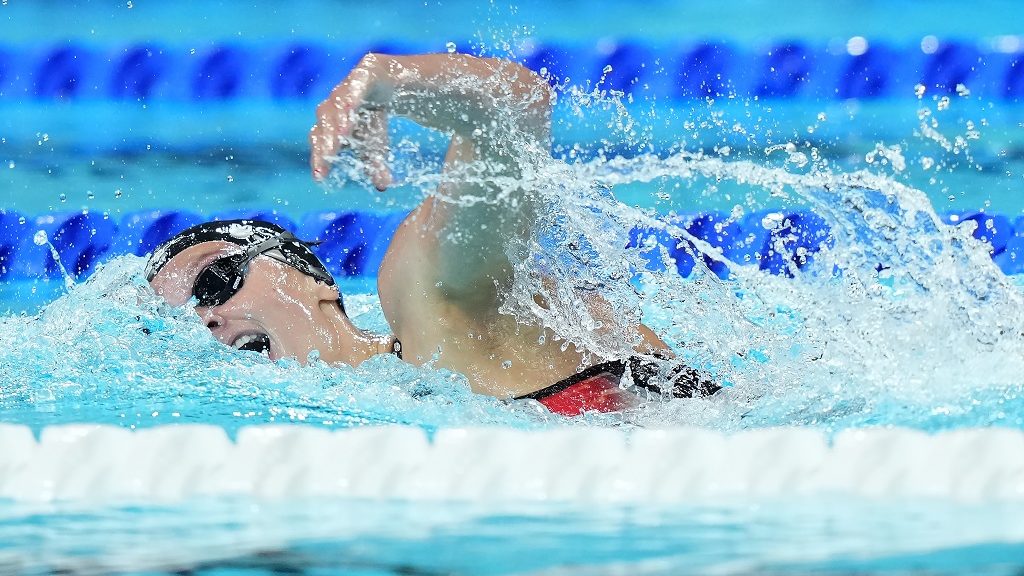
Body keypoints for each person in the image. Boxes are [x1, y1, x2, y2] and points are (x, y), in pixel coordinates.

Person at [146, 53, 718, 416]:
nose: (206, 318)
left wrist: (389, 79)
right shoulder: (368, 413)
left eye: (216, 281)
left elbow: (515, 109)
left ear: (311, 279)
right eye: (185, 319)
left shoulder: (430, 303)